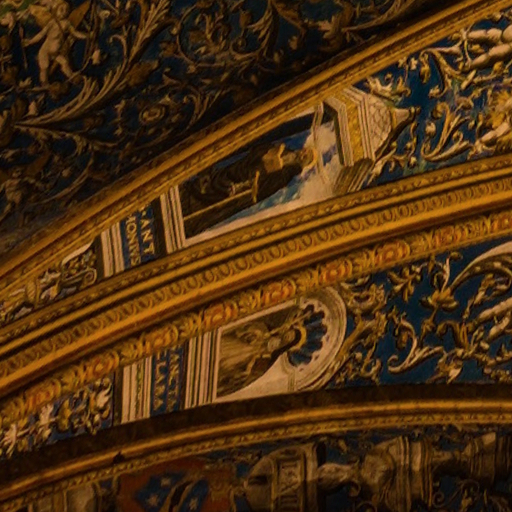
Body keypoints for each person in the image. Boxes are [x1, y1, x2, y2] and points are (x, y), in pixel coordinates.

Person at [180, 143, 317, 238]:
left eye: (308, 157)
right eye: (307, 151)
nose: (304, 154)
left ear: (305, 163)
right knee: (216, 182)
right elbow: (258, 152)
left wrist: (260, 174)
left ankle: (188, 215)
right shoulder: (284, 149)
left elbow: (266, 188)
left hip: (245, 187)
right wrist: (265, 156)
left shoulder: (287, 174)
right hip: (241, 169)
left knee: (218, 200)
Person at [23, 1, 88, 85]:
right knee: (45, 68)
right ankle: (44, 84)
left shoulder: (67, 24)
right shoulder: (52, 23)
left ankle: (72, 78)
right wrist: (30, 41)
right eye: (61, 9)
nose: (64, 12)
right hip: (45, 51)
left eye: (66, 10)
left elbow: (75, 33)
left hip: (55, 53)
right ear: (56, 10)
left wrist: (86, 36)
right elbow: (41, 34)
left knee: (64, 63)